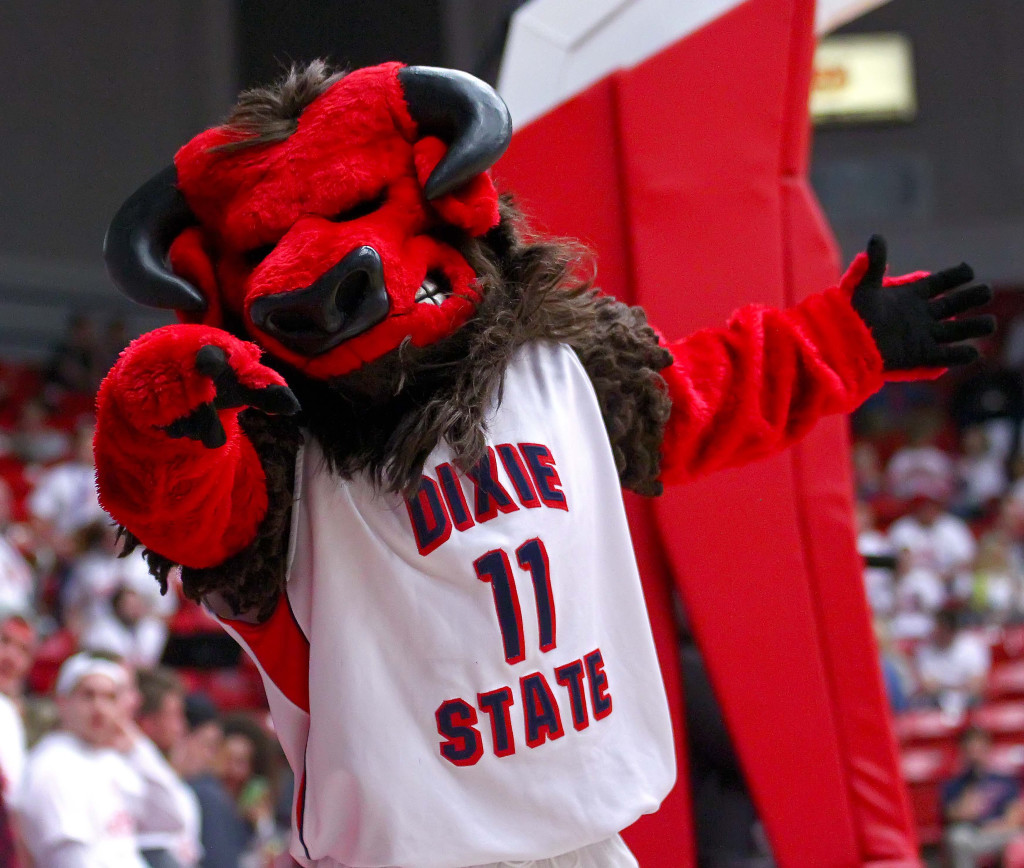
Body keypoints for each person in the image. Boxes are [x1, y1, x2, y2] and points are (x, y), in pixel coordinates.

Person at [17, 652, 190, 867]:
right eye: (88, 695)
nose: (99, 707)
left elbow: (173, 819)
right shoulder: (52, 766)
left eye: (110, 698)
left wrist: (138, 748)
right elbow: (71, 860)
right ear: (63, 701)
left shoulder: (110, 760)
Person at [136, 668, 202, 868]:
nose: (181, 727)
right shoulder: (128, 773)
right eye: (175, 715)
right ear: (147, 722)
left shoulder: (166, 769)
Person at [942, 726, 1024, 868]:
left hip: (999, 833)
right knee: (957, 837)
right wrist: (971, 786)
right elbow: (952, 816)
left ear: (988, 748)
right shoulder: (954, 784)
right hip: (973, 837)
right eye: (970, 749)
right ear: (963, 751)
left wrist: (993, 827)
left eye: (979, 748)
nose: (975, 753)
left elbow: (1015, 818)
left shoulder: (1004, 780)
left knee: (1019, 839)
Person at [915, 609, 991, 713]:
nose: (935, 632)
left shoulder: (972, 647)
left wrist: (943, 687)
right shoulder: (924, 651)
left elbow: (976, 685)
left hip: (969, 704)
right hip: (934, 705)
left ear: (950, 629)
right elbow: (927, 686)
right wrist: (957, 687)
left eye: (940, 628)